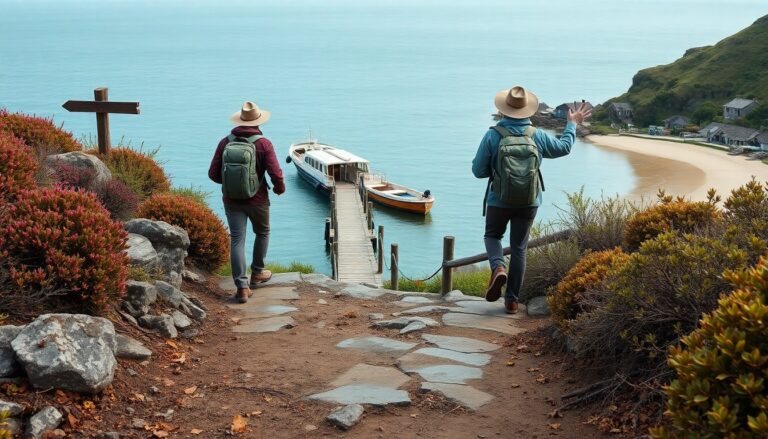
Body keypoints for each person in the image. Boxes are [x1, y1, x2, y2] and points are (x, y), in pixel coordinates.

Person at [472, 86, 591, 314]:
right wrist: (572, 123)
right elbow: (564, 148)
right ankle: (512, 301)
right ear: (527, 111)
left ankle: (498, 268)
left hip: (499, 199)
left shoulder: (493, 135)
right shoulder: (536, 135)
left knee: (492, 235)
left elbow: (478, 171)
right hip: (529, 201)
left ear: (504, 110)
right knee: (519, 248)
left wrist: (498, 169)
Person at [209, 101, 286, 303]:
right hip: (258, 199)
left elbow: (213, 174)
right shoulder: (263, 144)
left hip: (231, 200)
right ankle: (258, 272)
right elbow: (276, 173)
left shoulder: (225, 142)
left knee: (237, 239)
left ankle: (242, 288)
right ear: (259, 121)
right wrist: (279, 188)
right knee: (262, 232)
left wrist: (232, 184)